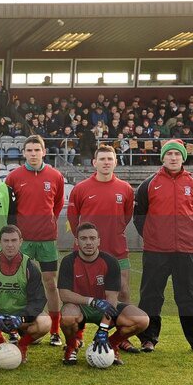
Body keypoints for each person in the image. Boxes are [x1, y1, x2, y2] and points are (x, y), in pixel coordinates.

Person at [133, 139, 193, 355]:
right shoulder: (148, 184)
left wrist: (187, 234)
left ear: (183, 158)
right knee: (151, 295)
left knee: (190, 296)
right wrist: (153, 236)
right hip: (156, 251)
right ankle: (148, 339)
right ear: (163, 157)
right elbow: (139, 218)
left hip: (188, 251)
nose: (173, 158)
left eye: (177, 154)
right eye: (169, 154)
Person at [66, 144, 138, 352]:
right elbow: (73, 219)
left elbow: (126, 218)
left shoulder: (125, 188)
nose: (106, 162)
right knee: (82, 292)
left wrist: (112, 234)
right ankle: (77, 336)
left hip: (116, 249)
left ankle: (118, 337)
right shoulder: (81, 188)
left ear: (115, 162)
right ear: (94, 162)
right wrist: (85, 243)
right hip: (86, 253)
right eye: (102, 159)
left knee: (123, 291)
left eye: (110, 159)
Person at [57, 223, 149, 366]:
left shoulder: (110, 261)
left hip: (106, 307)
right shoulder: (68, 261)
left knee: (142, 320)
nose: (88, 242)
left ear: (99, 241)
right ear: (77, 241)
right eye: (84, 238)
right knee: (68, 316)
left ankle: (111, 344)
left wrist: (103, 330)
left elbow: (111, 300)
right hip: (80, 307)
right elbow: (64, 294)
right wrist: (91, 301)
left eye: (92, 238)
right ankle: (71, 346)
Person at [4, 134, 65, 346]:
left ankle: (55, 331)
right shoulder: (13, 177)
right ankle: (15, 328)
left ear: (44, 152)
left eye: (37, 150)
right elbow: (10, 210)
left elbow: (57, 206)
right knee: (19, 285)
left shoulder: (55, 176)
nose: (33, 154)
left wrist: (47, 223)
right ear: (23, 153)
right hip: (23, 241)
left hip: (47, 239)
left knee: (50, 283)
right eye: (29, 150)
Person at [0, 225, 51, 364]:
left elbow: (39, 300)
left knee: (45, 322)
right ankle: (0, 342)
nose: (10, 245)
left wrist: (22, 318)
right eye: (6, 241)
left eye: (13, 240)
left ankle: (22, 346)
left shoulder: (30, 266)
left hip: (20, 317)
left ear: (21, 241)